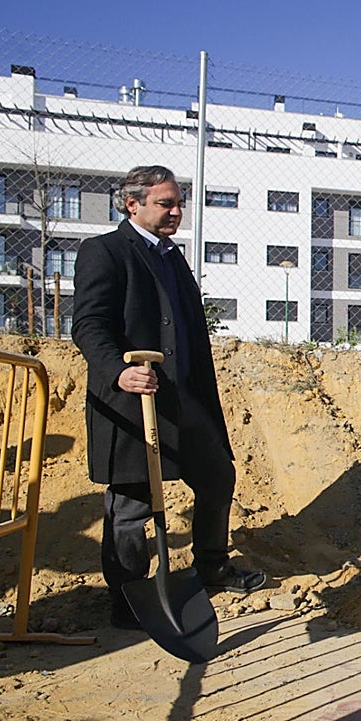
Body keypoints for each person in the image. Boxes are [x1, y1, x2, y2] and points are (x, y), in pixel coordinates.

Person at [73, 165, 265, 630]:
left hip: (182, 400)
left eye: (179, 203)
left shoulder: (171, 256)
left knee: (217, 475)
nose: (177, 211)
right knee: (131, 504)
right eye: (166, 204)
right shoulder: (105, 251)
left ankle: (211, 566)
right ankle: (130, 599)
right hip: (132, 401)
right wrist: (120, 371)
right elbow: (88, 325)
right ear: (132, 204)